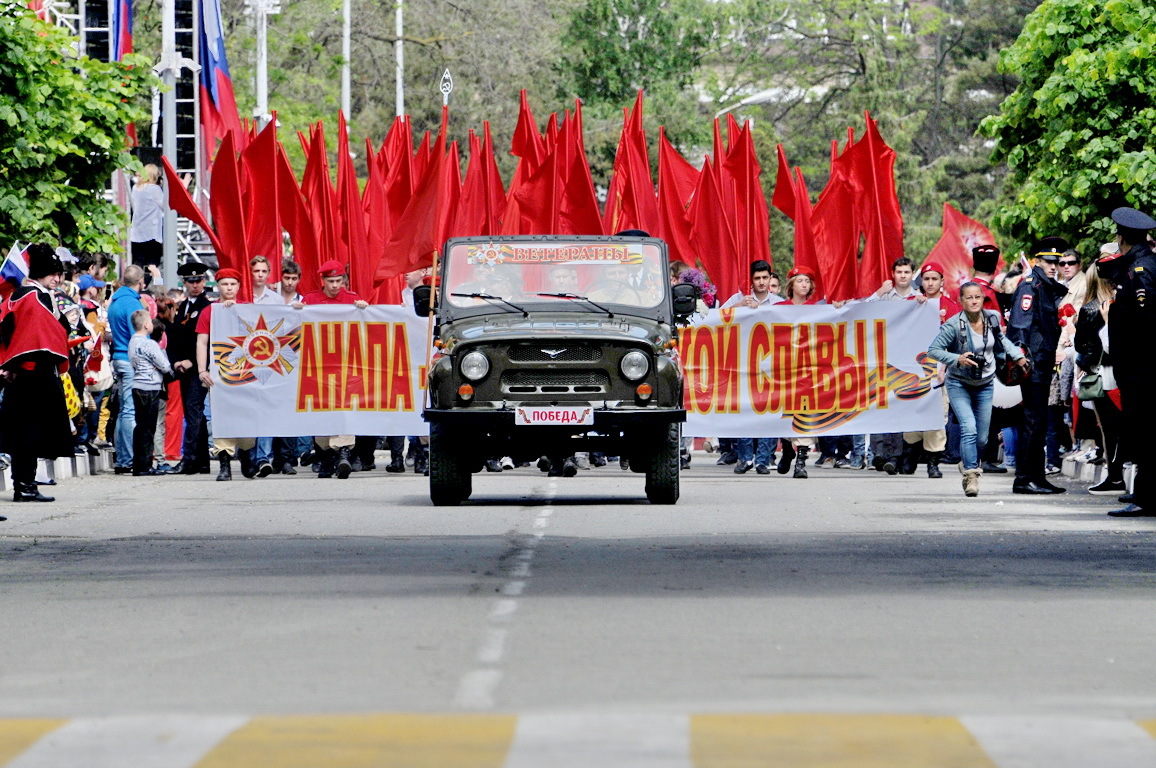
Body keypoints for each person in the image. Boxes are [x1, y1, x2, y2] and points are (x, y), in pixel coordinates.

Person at [928, 282, 1028, 496]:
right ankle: (971, 475)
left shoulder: (992, 318)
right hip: (959, 383)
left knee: (982, 438)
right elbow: (933, 350)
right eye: (969, 298)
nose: (973, 301)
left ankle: (968, 462)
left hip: (985, 383)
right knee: (969, 427)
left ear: (983, 299)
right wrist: (957, 358)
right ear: (961, 301)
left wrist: (1018, 356)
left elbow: (1001, 339)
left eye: (977, 297)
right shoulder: (953, 325)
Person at [0, 244, 74, 509]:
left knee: (22, 433)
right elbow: (42, 334)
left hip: (20, 372)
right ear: (41, 273)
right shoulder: (35, 297)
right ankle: (26, 486)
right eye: (53, 273)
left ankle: (24, 483)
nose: (58, 279)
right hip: (34, 372)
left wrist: (7, 364)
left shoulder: (19, 295)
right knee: (30, 432)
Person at [1101, 207, 1156, 517]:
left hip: (1143, 366)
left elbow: (1146, 320)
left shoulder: (1141, 271)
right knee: (1142, 430)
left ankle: (1147, 497)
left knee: (1147, 431)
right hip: (1138, 366)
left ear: (1121, 237)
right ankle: (1145, 490)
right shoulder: (1136, 265)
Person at [1007, 237, 1070, 494]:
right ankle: (1024, 478)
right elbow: (1020, 326)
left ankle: (1036, 475)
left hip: (1042, 362)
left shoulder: (1046, 287)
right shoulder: (1030, 286)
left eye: (1057, 262)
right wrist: (1022, 360)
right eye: (1048, 261)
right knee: (1033, 421)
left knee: (1040, 421)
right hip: (1031, 363)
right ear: (1038, 261)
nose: (1054, 266)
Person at [296, 260, 368, 479]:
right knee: (322, 412)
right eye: (331, 281)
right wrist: (297, 312)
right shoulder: (311, 300)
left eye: (339, 280)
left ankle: (344, 454)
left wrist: (365, 311)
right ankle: (326, 456)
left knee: (345, 410)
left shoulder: (353, 300)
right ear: (323, 281)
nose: (336, 285)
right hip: (318, 365)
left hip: (345, 364)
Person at [899, 261, 960, 478]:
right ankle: (910, 456)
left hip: (939, 370)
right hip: (913, 370)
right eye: (926, 279)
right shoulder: (911, 302)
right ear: (921, 281)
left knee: (937, 415)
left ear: (942, 281)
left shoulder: (951, 306)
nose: (931, 283)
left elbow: (956, 340)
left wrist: (945, 367)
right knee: (912, 413)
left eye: (935, 279)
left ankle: (933, 463)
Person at [196, 268, 254, 481]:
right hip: (220, 371)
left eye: (233, 284)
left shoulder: (248, 309)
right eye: (224, 284)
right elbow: (202, 341)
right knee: (221, 417)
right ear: (218, 286)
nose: (229, 288)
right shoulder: (209, 311)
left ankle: (247, 454)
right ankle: (224, 464)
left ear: (239, 287)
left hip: (245, 371)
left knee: (246, 416)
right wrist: (202, 370)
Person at [726, 260, 783, 474]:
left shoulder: (778, 303)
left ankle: (762, 459)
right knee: (745, 411)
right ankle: (744, 458)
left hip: (770, 366)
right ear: (751, 279)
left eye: (765, 278)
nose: (761, 282)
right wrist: (739, 307)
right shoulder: (738, 299)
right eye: (757, 278)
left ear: (770, 278)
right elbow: (716, 319)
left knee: (769, 411)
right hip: (743, 364)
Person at [1074, 254, 1124, 496]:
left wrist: (1082, 363)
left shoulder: (1090, 309)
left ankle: (1114, 476)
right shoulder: (1120, 303)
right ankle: (1118, 474)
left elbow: (1082, 345)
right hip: (1123, 370)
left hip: (1101, 373)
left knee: (1108, 427)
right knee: (1122, 425)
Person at [775, 266, 821, 478]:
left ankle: (801, 460)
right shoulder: (779, 308)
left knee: (806, 412)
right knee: (785, 414)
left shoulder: (818, 310)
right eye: (800, 280)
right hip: (784, 369)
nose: (804, 284)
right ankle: (787, 449)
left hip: (808, 370)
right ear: (791, 284)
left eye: (807, 281)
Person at [169, 262, 213, 474]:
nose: (195, 285)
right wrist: (176, 361)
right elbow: (176, 338)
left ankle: (189, 459)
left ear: (204, 281)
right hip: (184, 368)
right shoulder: (184, 306)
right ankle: (201, 462)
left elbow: (207, 341)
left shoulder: (207, 306)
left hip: (199, 367)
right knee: (195, 414)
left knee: (194, 411)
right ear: (184, 283)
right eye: (190, 281)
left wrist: (193, 363)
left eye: (198, 280)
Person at [107, 264, 147, 474]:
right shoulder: (133, 303)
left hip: (118, 357)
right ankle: (129, 459)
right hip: (131, 360)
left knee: (124, 410)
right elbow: (139, 336)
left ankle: (123, 458)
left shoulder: (114, 301)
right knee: (130, 411)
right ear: (141, 282)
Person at [128, 309, 173, 476]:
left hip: (137, 385)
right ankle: (145, 465)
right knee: (149, 428)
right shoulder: (150, 344)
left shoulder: (133, 341)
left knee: (140, 426)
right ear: (146, 324)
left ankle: (139, 463)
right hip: (151, 387)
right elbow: (164, 365)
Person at [130, 165, 165, 284]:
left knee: (139, 263)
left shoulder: (135, 188)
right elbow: (165, 205)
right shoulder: (154, 189)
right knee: (153, 265)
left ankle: (137, 285)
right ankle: (156, 286)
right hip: (152, 233)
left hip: (137, 233)